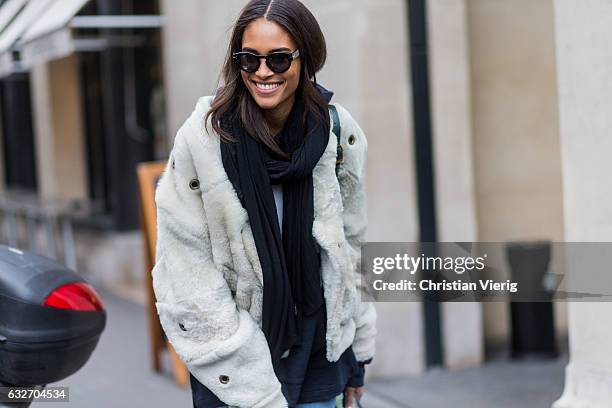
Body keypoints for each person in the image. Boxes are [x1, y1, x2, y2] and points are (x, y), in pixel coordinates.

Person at [151, 0, 376, 407]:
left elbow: (350, 249)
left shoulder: (336, 132)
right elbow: (187, 276)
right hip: (236, 357)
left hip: (320, 353)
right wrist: (254, 388)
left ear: (306, 58)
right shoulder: (203, 140)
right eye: (249, 59)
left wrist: (357, 355)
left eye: (277, 59)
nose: (263, 72)